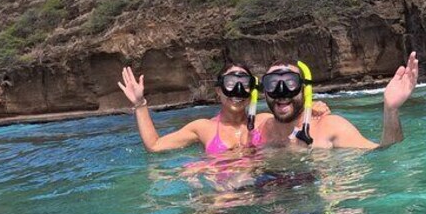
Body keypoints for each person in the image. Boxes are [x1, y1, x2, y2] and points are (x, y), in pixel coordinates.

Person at [118, 63, 330, 154]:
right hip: (220, 194)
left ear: (253, 91)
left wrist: (312, 109)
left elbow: (292, 118)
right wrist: (140, 104)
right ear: (218, 91)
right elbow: (155, 146)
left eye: (244, 84)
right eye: (230, 83)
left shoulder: (264, 121)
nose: (237, 90)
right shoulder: (203, 128)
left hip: (260, 188)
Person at [258, 52, 419, 150]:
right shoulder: (258, 126)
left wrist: (390, 110)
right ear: (265, 92)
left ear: (305, 89)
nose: (281, 91)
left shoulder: (330, 127)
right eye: (272, 84)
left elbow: (385, 154)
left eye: (290, 83)